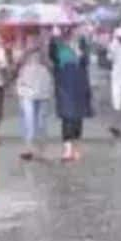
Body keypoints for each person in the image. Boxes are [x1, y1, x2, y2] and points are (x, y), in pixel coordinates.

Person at [49, 27, 93, 162]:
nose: (70, 33)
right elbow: (52, 58)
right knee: (67, 117)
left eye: (72, 31)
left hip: (79, 84)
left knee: (77, 118)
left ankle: (76, 147)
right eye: (67, 31)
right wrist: (53, 40)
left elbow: (86, 62)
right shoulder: (56, 45)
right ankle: (67, 150)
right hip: (64, 84)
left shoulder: (82, 43)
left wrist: (79, 53)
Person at [15, 29, 53, 160]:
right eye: (31, 39)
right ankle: (28, 148)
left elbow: (51, 65)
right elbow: (17, 63)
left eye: (36, 39)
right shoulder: (21, 49)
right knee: (28, 118)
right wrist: (27, 51)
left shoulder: (46, 49)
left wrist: (43, 52)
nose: (33, 42)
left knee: (42, 120)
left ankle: (42, 149)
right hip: (26, 88)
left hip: (42, 88)